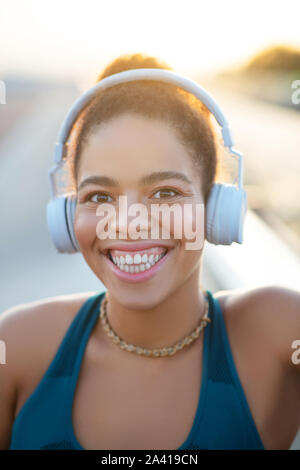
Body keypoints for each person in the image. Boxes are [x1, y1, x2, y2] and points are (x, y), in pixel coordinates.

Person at [0, 53, 299, 451]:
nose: (128, 222)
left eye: (165, 193)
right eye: (100, 196)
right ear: (68, 213)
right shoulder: (15, 347)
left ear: (215, 208)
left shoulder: (280, 331)